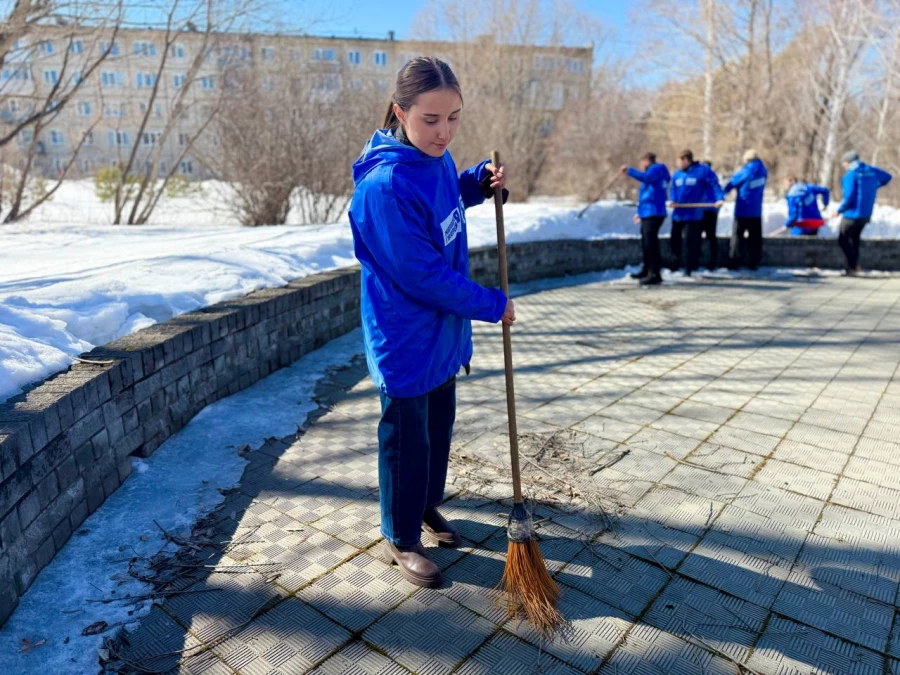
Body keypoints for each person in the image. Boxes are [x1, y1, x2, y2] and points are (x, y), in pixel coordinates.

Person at [349, 57, 514, 588]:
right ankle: (400, 535)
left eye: (455, 118)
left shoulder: (435, 158)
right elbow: (421, 275)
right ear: (401, 113)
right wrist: (491, 303)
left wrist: (477, 184)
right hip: (406, 336)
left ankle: (424, 505)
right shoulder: (383, 188)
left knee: (438, 431)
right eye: (431, 120)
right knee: (407, 441)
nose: (445, 132)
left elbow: (444, 198)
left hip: (442, 333)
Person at [835, 151, 892, 274]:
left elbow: (849, 197)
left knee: (843, 240)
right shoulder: (870, 170)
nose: (843, 165)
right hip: (866, 213)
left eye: (844, 163)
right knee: (854, 239)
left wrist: (839, 210)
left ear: (848, 162)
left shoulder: (850, 175)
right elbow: (888, 177)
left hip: (851, 213)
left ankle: (853, 266)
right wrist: (873, 186)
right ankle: (853, 267)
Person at [668, 149, 723, 276]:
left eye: (680, 161)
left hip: (693, 214)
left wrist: (719, 198)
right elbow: (673, 189)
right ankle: (674, 264)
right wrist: (673, 199)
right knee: (675, 239)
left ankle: (689, 267)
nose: (678, 164)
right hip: (678, 213)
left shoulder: (702, 171)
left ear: (686, 160)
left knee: (690, 242)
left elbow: (714, 185)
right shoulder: (677, 174)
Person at [620, 152, 670, 286]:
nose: (641, 166)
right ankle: (646, 270)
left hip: (654, 213)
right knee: (646, 244)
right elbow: (646, 197)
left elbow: (646, 178)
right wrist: (640, 213)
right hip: (648, 212)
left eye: (642, 162)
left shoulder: (656, 169)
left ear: (647, 161)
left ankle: (654, 273)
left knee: (651, 244)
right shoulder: (654, 175)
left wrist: (629, 170)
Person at [724, 149, 768, 270]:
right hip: (756, 210)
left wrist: (722, 193)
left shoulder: (746, 171)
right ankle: (754, 262)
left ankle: (734, 262)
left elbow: (732, 183)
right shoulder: (763, 170)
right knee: (755, 238)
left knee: (738, 237)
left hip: (743, 209)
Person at [700, 160, 724, 269]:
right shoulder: (713, 176)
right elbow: (718, 189)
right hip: (711, 210)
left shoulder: (701, 175)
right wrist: (720, 199)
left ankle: (699, 259)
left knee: (697, 236)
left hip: (701, 209)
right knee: (711, 236)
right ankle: (712, 261)